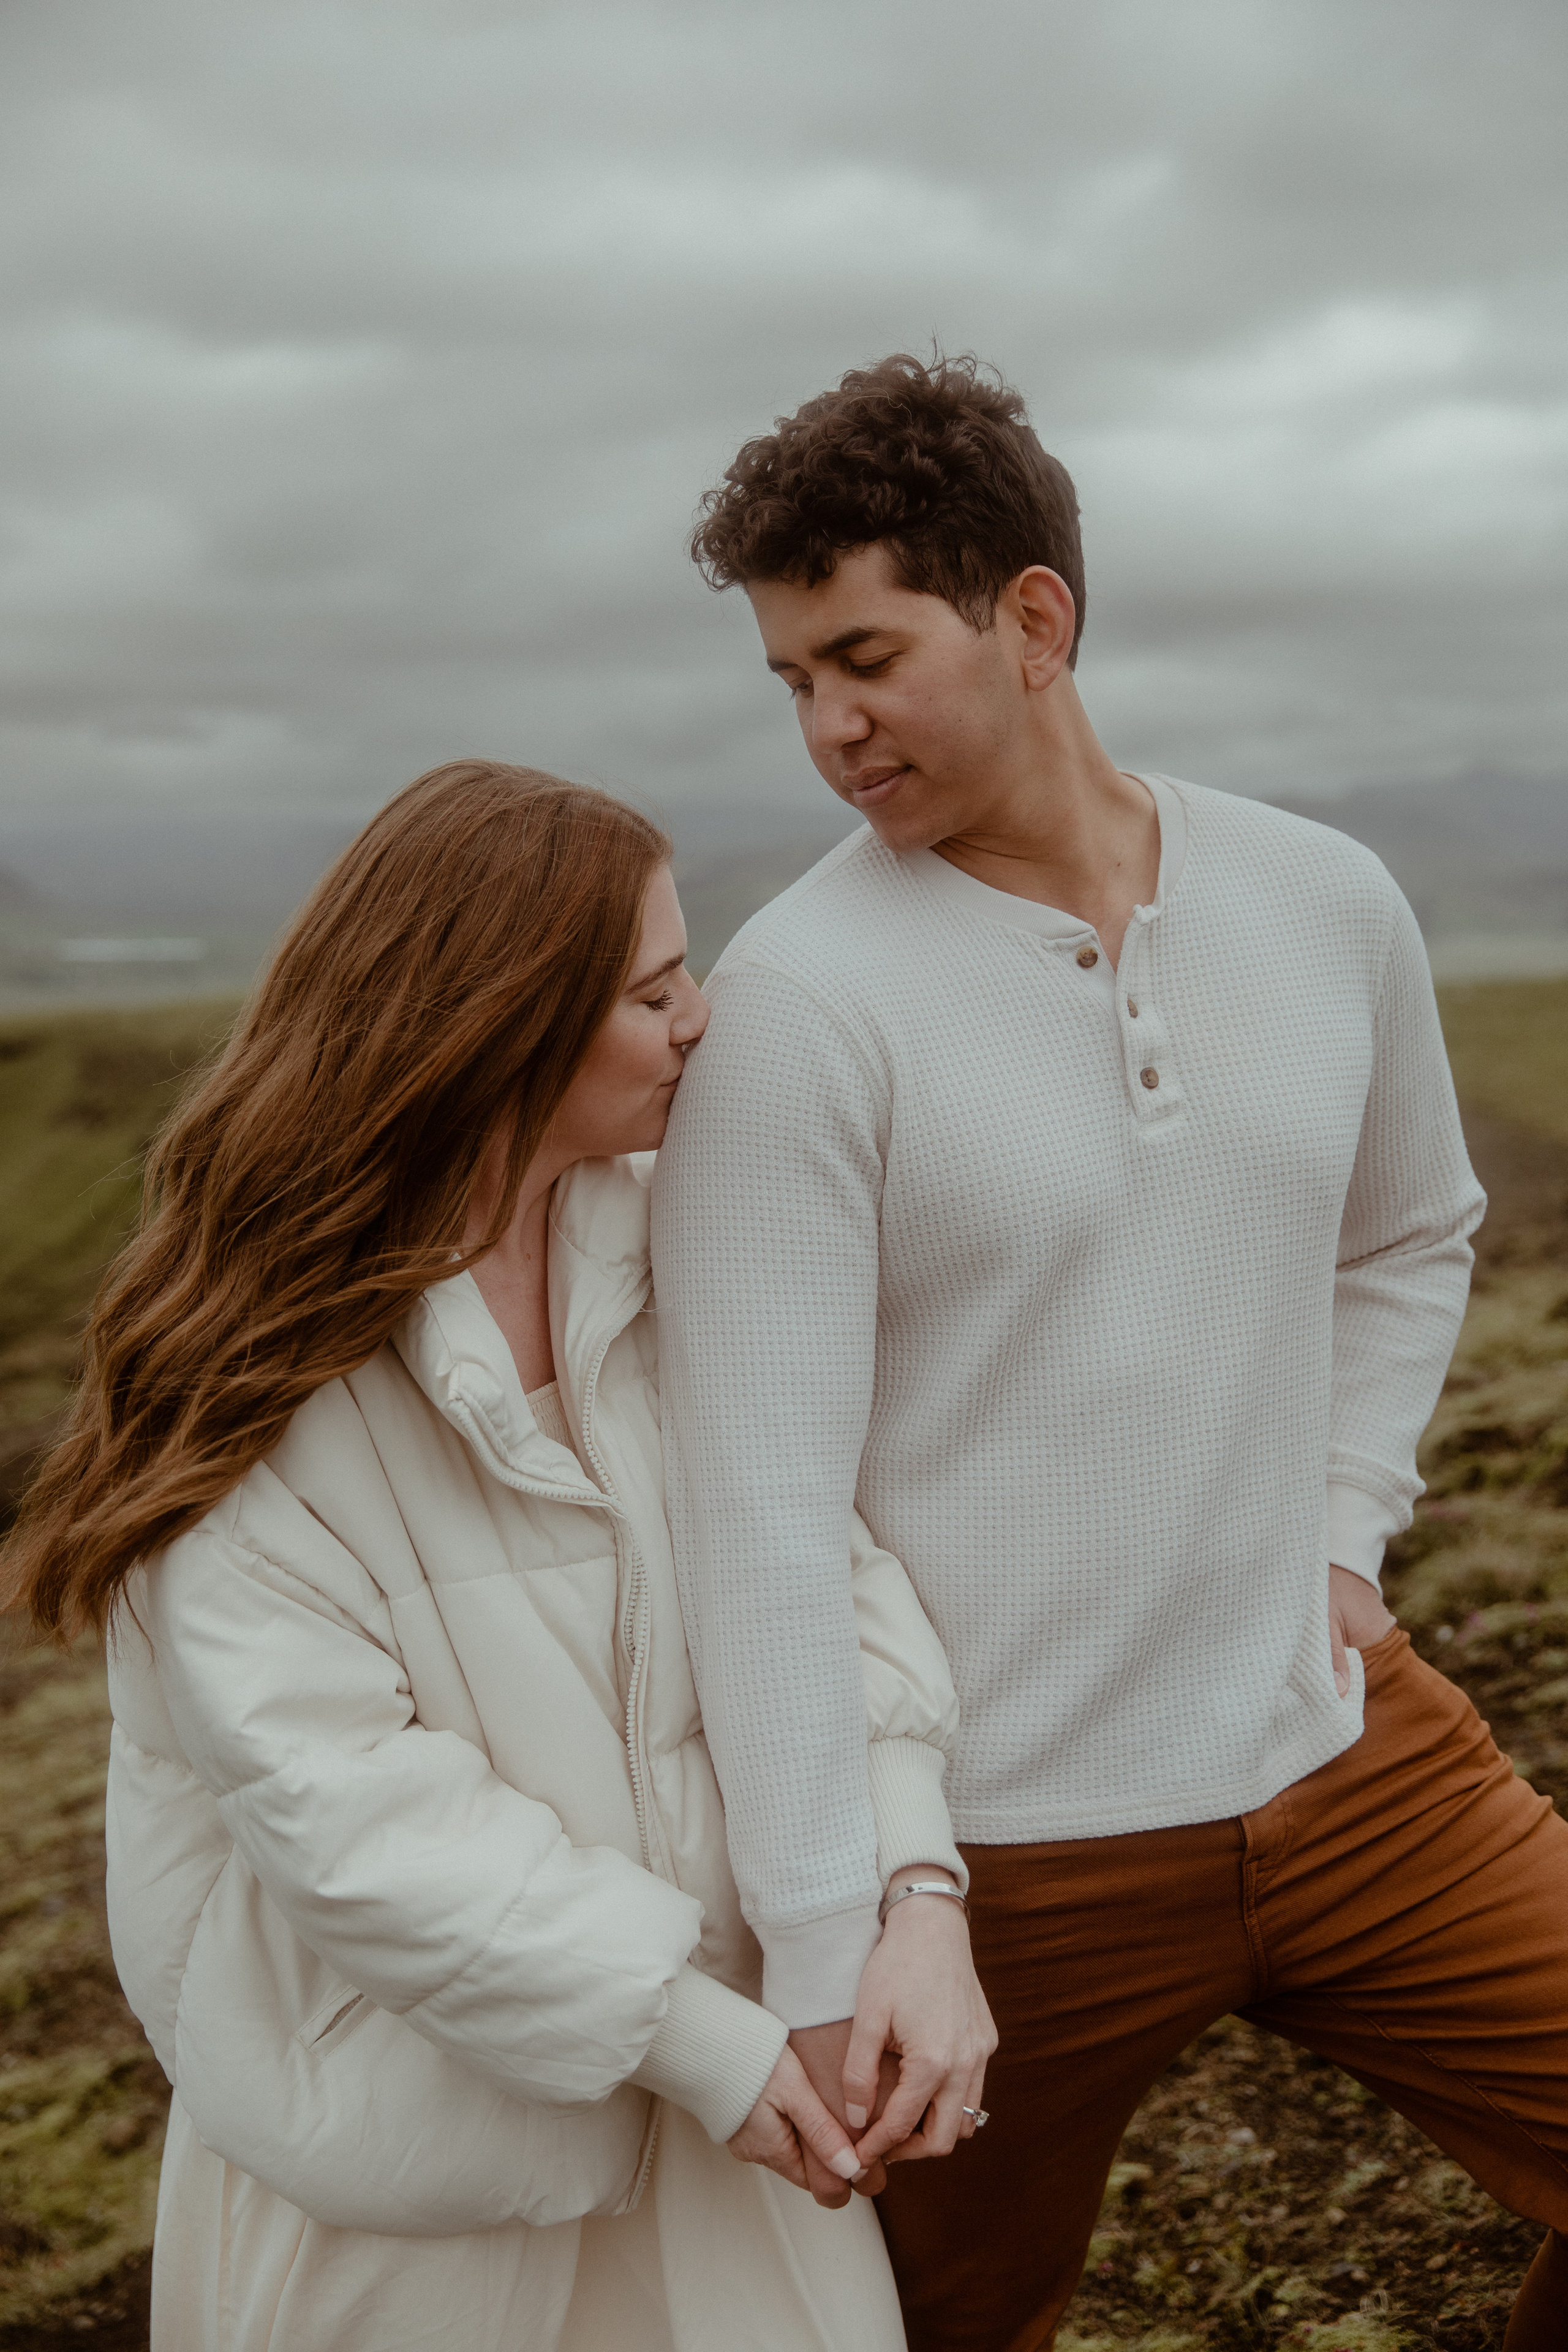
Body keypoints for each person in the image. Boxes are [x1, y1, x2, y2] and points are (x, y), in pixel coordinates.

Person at [651, 355, 1568, 2351]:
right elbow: (763, 1515)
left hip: (1348, 1750)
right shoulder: (799, 1006)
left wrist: (1345, 1529)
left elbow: (1411, 1234)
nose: (830, 724)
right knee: (921, 2336)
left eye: (867, 656)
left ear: (1038, 619)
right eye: (795, 680)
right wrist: (832, 1935)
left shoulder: (1327, 902)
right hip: (996, 1864)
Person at [2, 760, 968, 2352]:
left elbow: (819, 1560)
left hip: (724, 2128)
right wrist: (707, 2047)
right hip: (411, 2180)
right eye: (655, 988)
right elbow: (351, 1814)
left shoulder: (682, 1231)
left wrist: (913, 1892)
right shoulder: (239, 1370)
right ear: (504, 1028)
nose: (702, 1017)